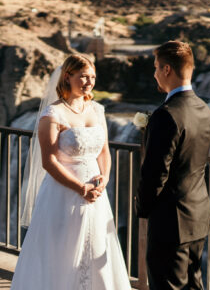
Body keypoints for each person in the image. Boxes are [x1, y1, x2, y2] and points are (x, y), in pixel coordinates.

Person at [11, 54, 131, 289]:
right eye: (83, 76)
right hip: (63, 193)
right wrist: (81, 188)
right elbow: (49, 161)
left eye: (92, 77)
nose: (89, 82)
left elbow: (104, 152)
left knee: (96, 246)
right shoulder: (52, 114)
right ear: (67, 77)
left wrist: (104, 179)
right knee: (62, 252)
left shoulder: (97, 109)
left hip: (96, 193)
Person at [136, 41, 210, 290]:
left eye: (156, 67)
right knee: (193, 285)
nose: (155, 73)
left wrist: (143, 207)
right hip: (198, 215)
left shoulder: (167, 115)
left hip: (170, 222)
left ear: (167, 69)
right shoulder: (204, 109)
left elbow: (156, 173)